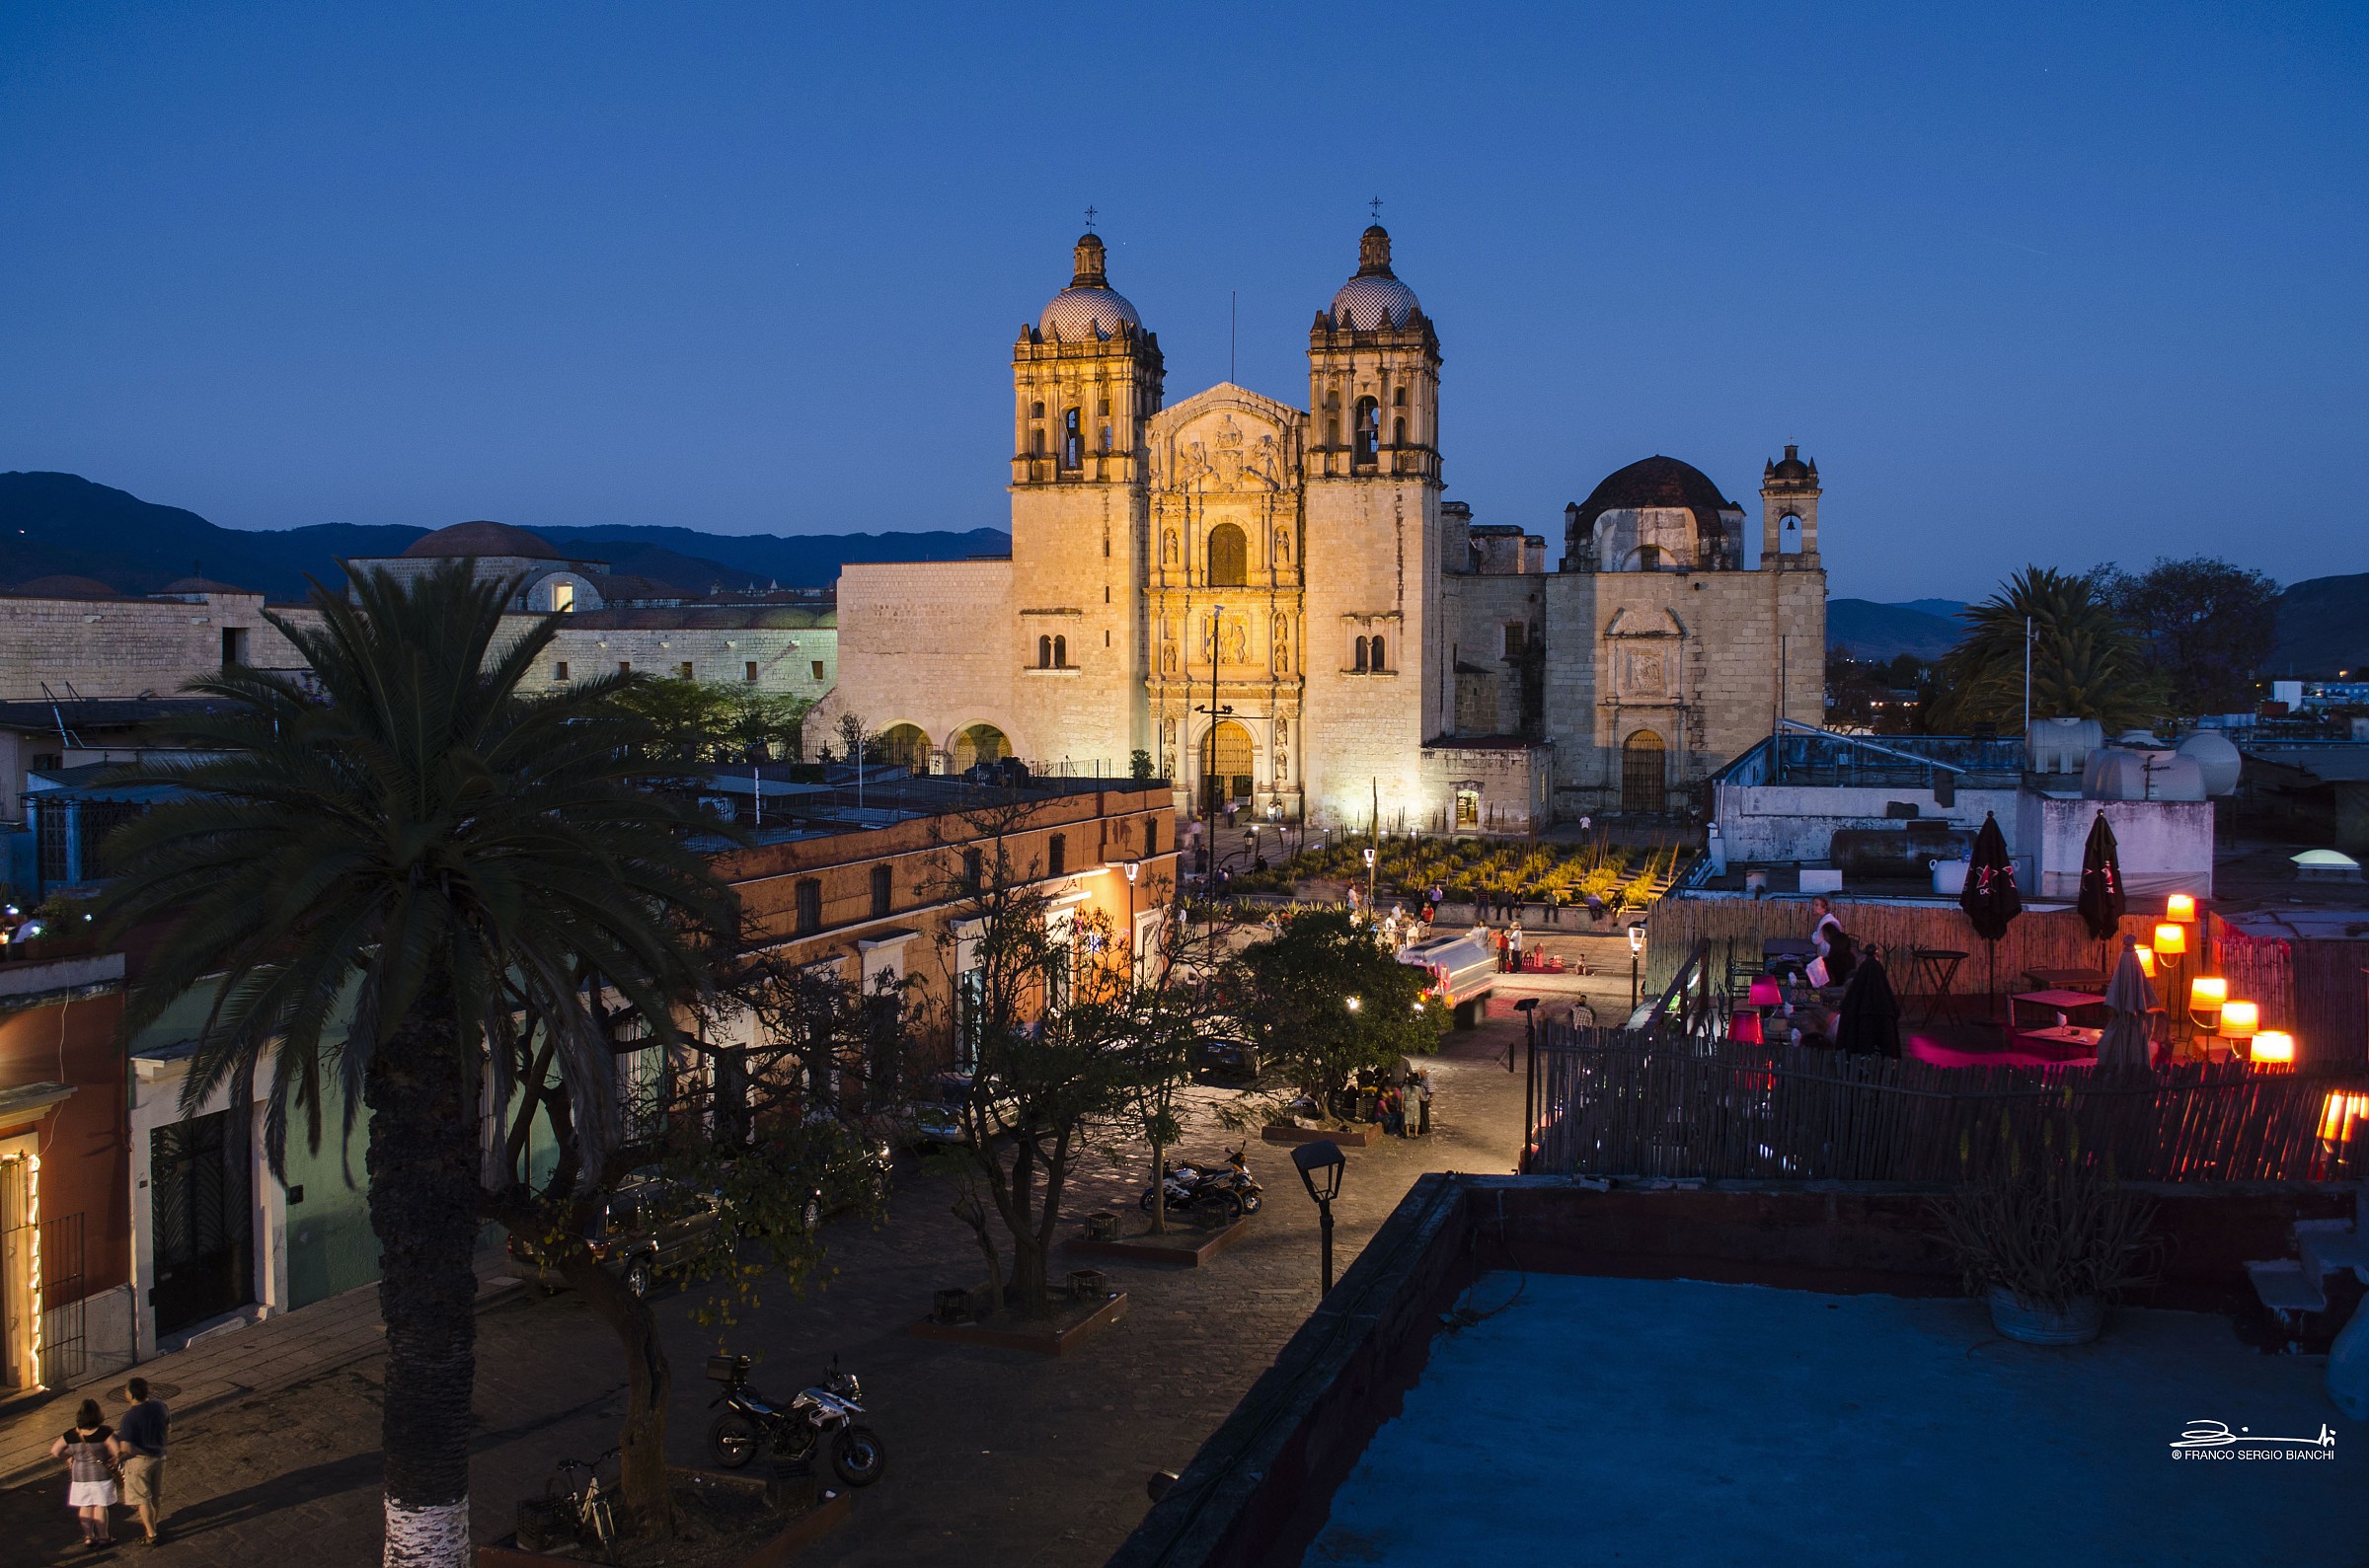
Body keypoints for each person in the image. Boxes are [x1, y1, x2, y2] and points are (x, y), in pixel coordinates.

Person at [49, 1398, 117, 1548]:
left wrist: (68, 1457)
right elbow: (117, 1451)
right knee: (100, 1506)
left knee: (85, 1506)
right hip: (101, 1475)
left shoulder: (71, 1435)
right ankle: (104, 1537)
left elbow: (55, 1451)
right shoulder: (105, 1432)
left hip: (79, 1476)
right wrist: (114, 1460)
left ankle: (89, 1537)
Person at [116, 1377, 169, 1545]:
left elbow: (126, 1447)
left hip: (140, 1461)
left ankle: (151, 1534)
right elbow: (168, 1428)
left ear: (131, 1395)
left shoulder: (129, 1418)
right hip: (160, 1457)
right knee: (155, 1496)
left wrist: (142, 1451)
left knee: (142, 1498)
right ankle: (155, 1523)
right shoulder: (161, 1406)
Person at [1414, 1069, 1433, 1135]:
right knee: (1421, 1115)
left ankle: (1426, 1130)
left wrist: (1430, 1100)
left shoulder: (1428, 1080)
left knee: (1424, 1115)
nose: (1420, 1075)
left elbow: (1431, 1091)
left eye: (1421, 1073)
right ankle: (1422, 1129)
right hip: (1421, 1099)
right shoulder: (1421, 1079)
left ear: (1425, 1072)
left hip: (1425, 1099)